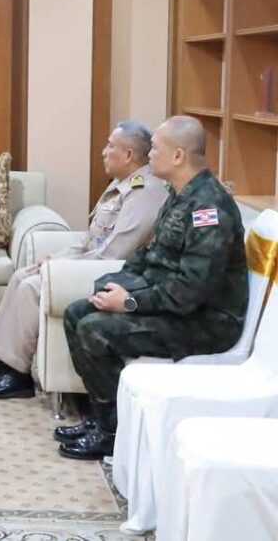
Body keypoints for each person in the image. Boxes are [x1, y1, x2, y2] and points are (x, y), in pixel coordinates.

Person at [57, 116, 248, 460]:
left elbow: (191, 290)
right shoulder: (179, 195)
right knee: (76, 314)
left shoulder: (209, 207)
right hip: (172, 305)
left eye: (156, 149)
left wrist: (130, 302)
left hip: (207, 322)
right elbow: (150, 256)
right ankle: (103, 419)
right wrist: (114, 285)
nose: (149, 155)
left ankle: (113, 433)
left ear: (178, 155)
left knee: (94, 330)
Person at [0, 121, 167, 399]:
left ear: (128, 155)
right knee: (22, 275)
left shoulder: (144, 193)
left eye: (110, 146)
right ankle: (5, 362)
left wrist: (62, 269)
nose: (103, 152)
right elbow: (90, 238)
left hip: (114, 277)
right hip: (92, 266)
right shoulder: (120, 185)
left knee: (32, 287)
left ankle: (17, 375)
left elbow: (114, 254)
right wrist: (56, 259)